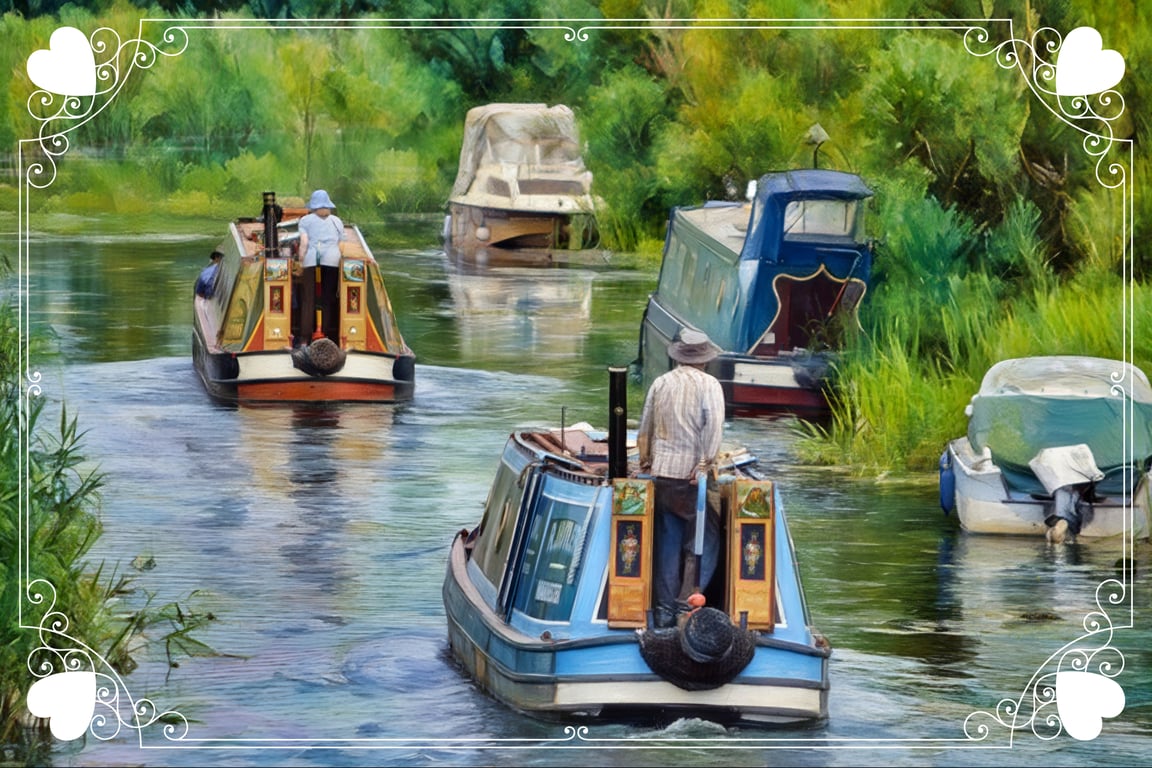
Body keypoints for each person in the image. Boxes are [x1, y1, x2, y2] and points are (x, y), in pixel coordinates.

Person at [636, 329, 726, 628]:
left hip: (664, 474)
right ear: (704, 360)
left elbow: (645, 427)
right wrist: (704, 463)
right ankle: (684, 606)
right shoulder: (709, 385)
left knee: (668, 540)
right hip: (692, 478)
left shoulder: (661, 383)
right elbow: (713, 429)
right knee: (707, 540)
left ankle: (662, 611)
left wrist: (647, 461)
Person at [296, 189, 345, 343]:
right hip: (333, 262)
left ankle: (305, 338)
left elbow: (304, 243)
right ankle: (325, 334)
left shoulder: (306, 221)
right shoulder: (337, 221)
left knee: (308, 299)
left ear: (313, 206)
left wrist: (300, 262)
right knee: (327, 299)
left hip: (312, 261)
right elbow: (341, 244)